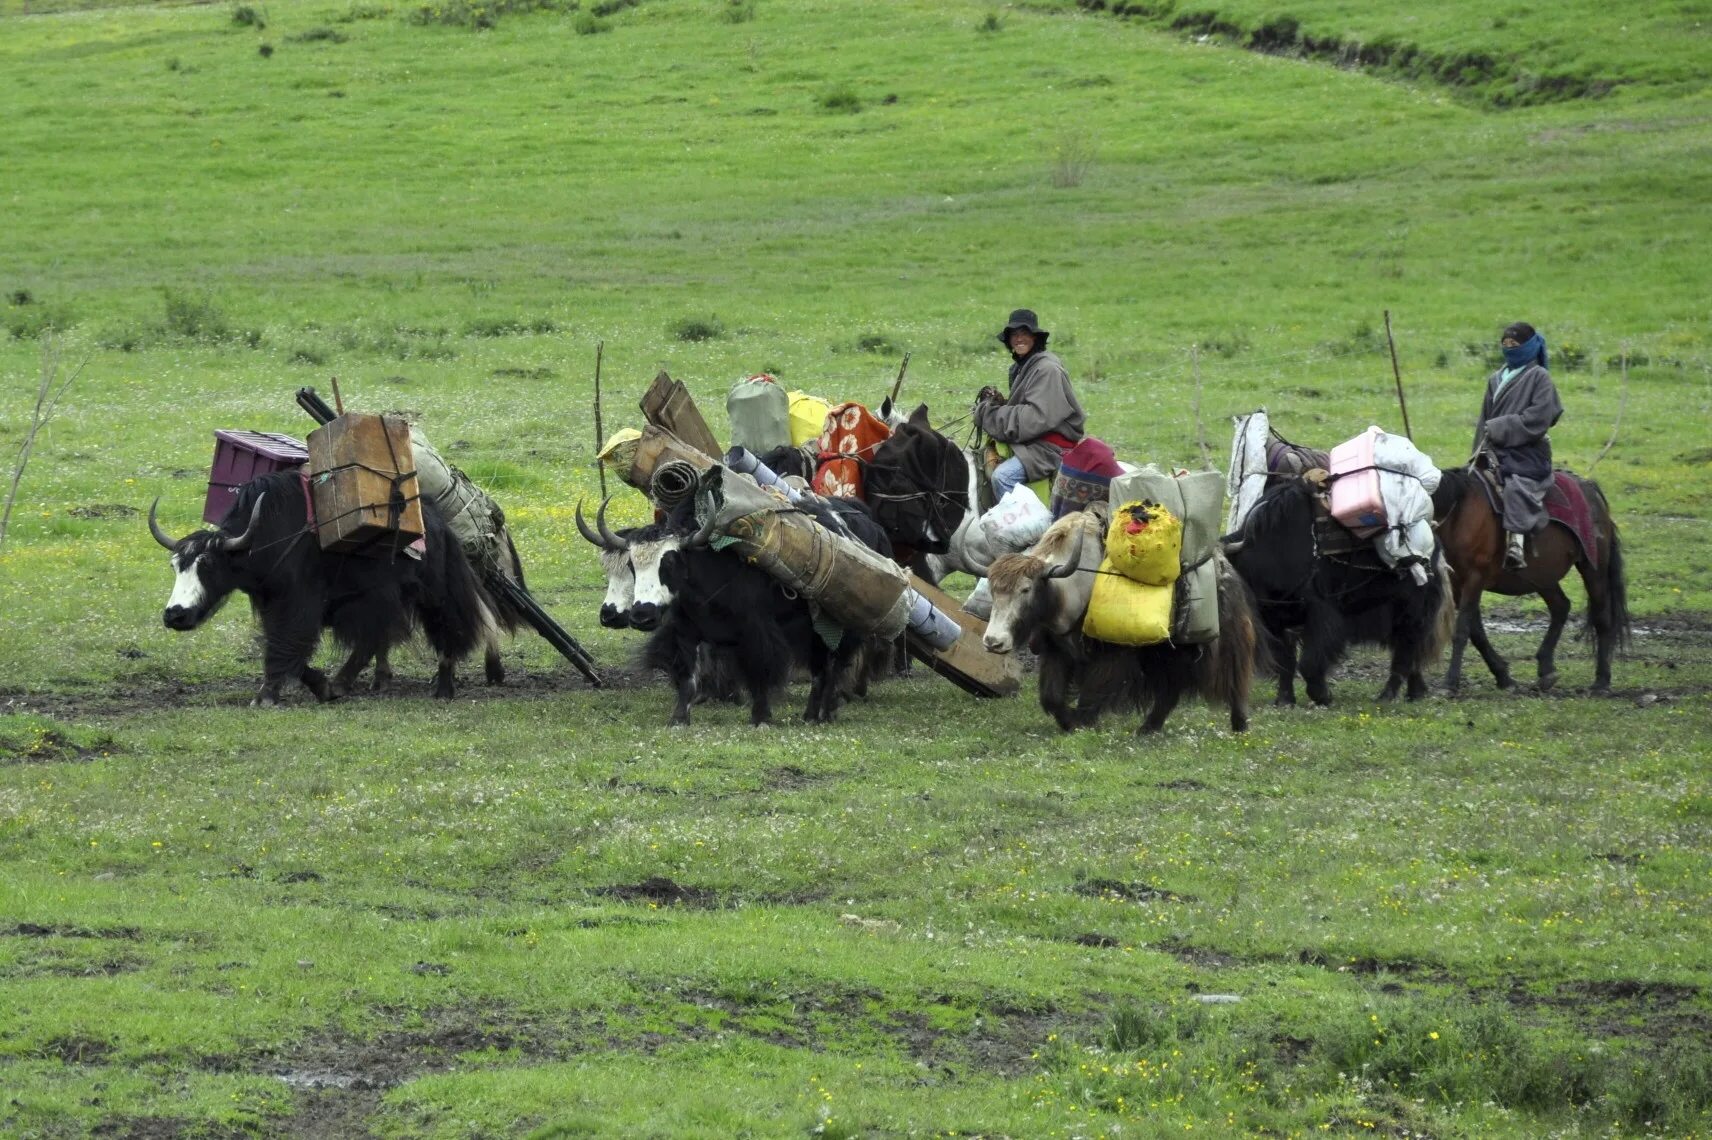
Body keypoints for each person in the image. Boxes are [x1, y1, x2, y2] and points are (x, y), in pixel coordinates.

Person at [1474, 321, 1563, 570]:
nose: (1510, 349)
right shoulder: (1495, 379)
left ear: (1529, 347)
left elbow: (1539, 418)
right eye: (1505, 345)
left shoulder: (1539, 377)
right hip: (1495, 448)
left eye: (1515, 345)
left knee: (1516, 486)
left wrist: (1500, 427)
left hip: (1528, 451)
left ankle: (1516, 541)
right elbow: (1484, 420)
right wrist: (1478, 450)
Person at [974, 308, 1086, 500]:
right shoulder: (1022, 367)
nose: (1019, 339)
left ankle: (1020, 528)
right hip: (1034, 441)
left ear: (1035, 338)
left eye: (1025, 333)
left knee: (1002, 477)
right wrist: (1001, 404)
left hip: (1048, 447)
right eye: (1014, 335)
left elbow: (1036, 418)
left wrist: (992, 414)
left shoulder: (1047, 369)